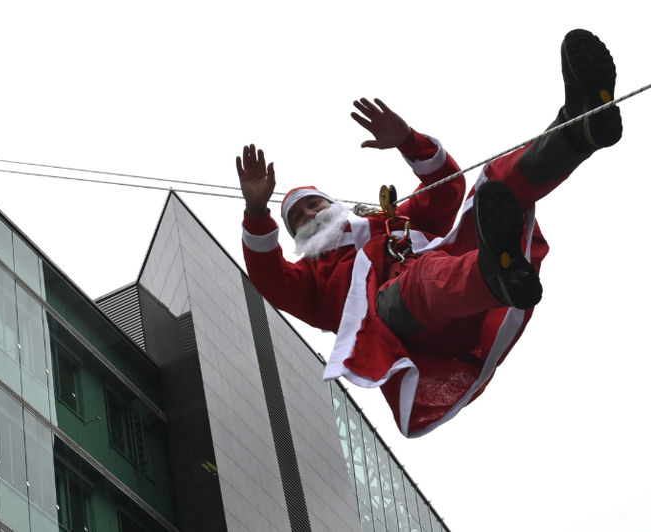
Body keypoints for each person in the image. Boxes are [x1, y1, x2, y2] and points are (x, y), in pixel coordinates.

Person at [236, 29, 622, 437]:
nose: (309, 215)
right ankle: (495, 270)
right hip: (403, 321)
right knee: (423, 278)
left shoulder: (391, 223)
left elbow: (448, 188)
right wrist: (257, 210)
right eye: (297, 217)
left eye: (314, 204)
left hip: (458, 288)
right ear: (294, 235)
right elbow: (268, 277)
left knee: (493, 185)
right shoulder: (310, 280)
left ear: (334, 205)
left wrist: (407, 140)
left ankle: (579, 128)